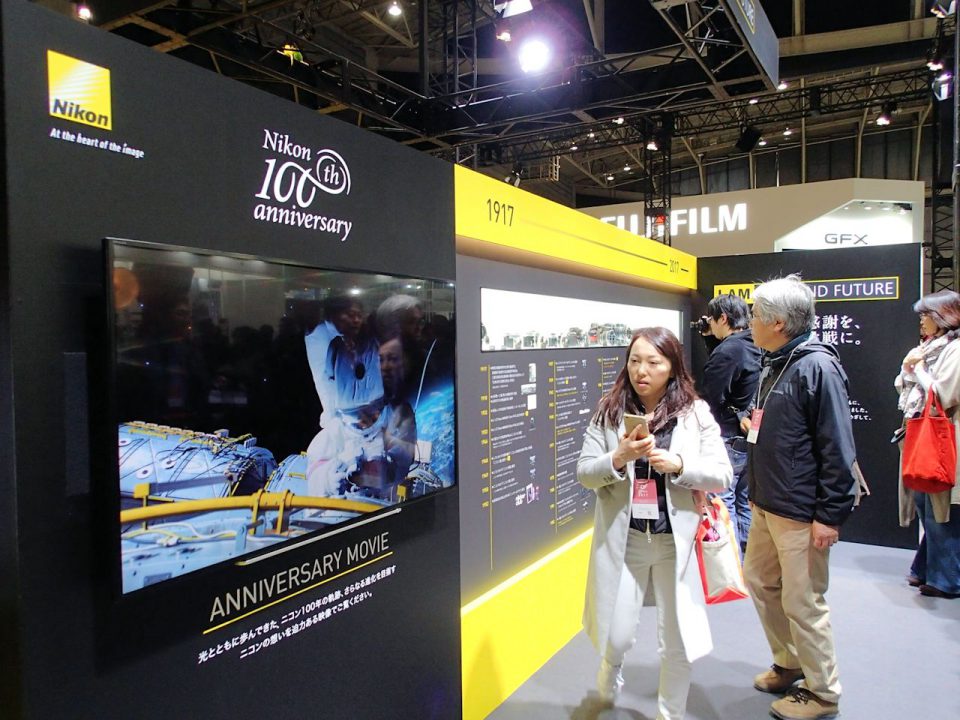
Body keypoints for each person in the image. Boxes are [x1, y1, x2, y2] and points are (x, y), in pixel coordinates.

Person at [577, 327, 732, 720]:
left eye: (652, 362)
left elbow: (722, 474)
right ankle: (610, 672)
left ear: (672, 367)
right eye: (634, 360)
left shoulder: (693, 413)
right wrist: (618, 457)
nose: (641, 371)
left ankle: (670, 713)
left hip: (674, 544)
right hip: (625, 539)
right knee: (616, 633)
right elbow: (585, 473)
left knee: (676, 641)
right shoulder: (609, 412)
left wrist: (679, 465)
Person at [743, 274, 859, 720]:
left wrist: (829, 515)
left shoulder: (817, 368)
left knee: (804, 601)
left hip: (799, 509)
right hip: (767, 500)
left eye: (755, 314)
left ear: (777, 322)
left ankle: (823, 692)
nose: (750, 322)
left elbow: (838, 447)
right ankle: (789, 662)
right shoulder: (775, 361)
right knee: (759, 581)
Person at [894, 289, 960, 599]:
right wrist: (910, 369)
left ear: (942, 317)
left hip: (942, 438)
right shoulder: (928, 348)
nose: (921, 321)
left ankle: (946, 579)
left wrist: (917, 369)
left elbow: (944, 393)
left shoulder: (954, 350)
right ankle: (927, 568)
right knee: (925, 503)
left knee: (939, 508)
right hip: (922, 434)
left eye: (926, 315)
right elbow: (903, 387)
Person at [699, 293, 761, 554]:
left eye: (713, 321)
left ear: (722, 318)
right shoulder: (755, 343)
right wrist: (710, 339)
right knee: (744, 502)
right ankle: (748, 562)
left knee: (722, 503)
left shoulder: (729, 350)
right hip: (747, 437)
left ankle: (731, 564)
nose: (710, 325)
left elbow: (710, 396)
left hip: (726, 436)